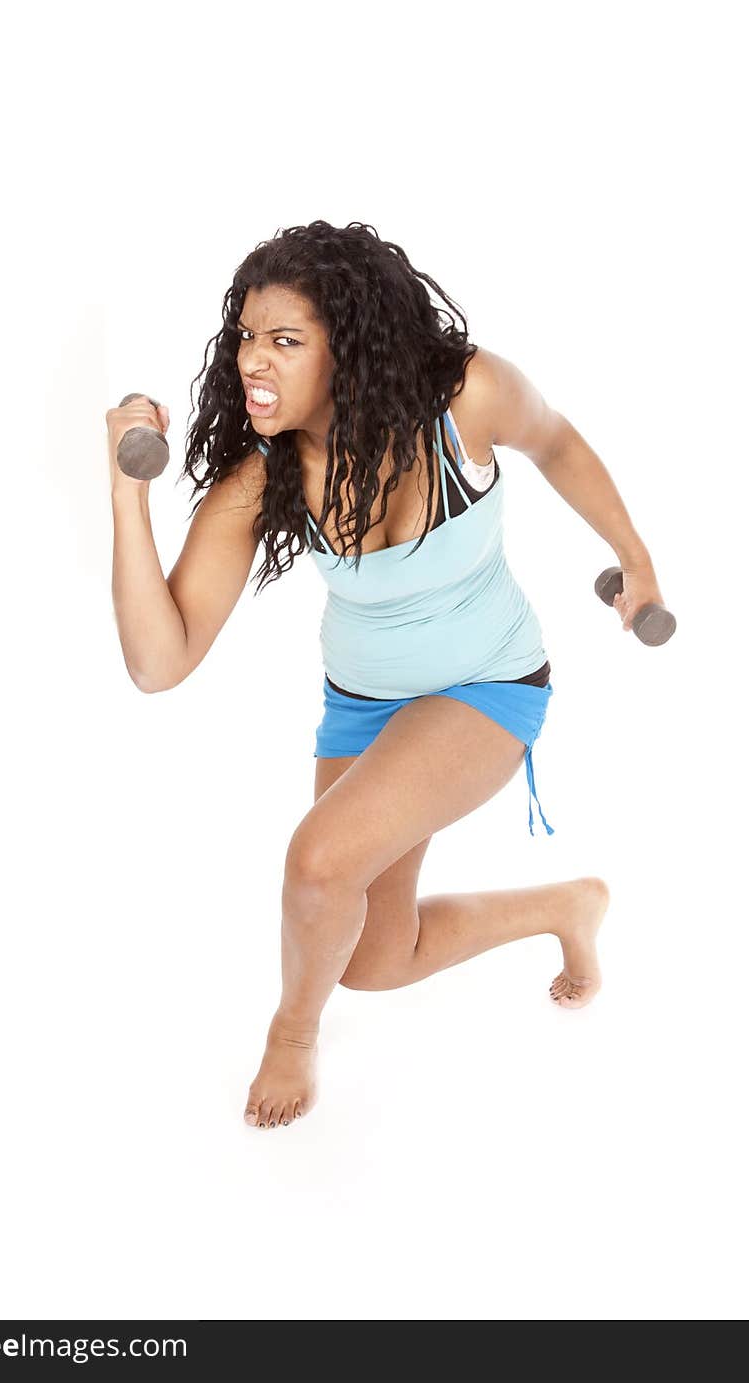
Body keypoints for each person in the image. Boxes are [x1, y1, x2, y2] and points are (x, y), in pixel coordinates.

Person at [107, 220, 666, 1131]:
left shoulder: (466, 398)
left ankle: (291, 1035)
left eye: (286, 341)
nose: (255, 360)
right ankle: (568, 905)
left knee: (317, 863)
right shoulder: (264, 475)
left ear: (351, 348)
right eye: (248, 335)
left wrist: (634, 557)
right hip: (365, 705)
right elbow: (157, 663)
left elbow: (557, 442)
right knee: (372, 957)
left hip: (488, 686)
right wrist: (127, 495)